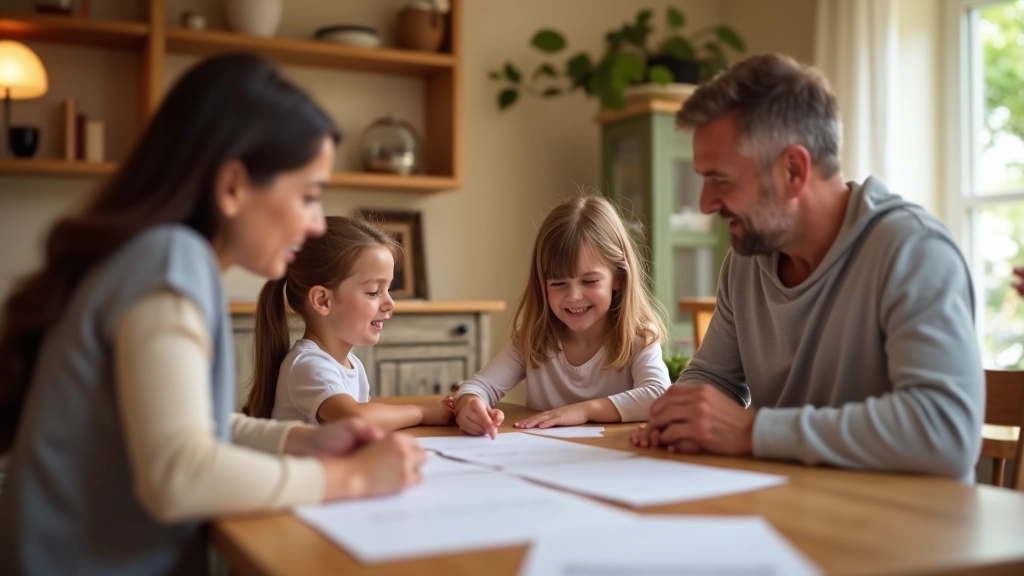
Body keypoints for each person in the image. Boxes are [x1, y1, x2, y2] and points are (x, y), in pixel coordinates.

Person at [0, 54, 425, 576]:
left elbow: (186, 427)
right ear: (232, 187)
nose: (316, 225)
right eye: (309, 195)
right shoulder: (168, 263)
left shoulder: (158, 259)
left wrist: (298, 440)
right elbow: (179, 474)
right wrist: (350, 480)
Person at [630, 53, 984, 482]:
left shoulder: (914, 250)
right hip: (792, 511)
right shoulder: (746, 259)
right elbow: (712, 377)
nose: (706, 204)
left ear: (793, 170)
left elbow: (944, 431)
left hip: (904, 533)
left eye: (721, 180)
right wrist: (674, 417)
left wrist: (754, 430)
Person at [453, 195, 672, 437]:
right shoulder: (533, 339)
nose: (573, 296)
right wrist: (469, 403)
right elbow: (479, 386)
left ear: (618, 277)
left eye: (589, 281)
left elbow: (659, 395)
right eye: (558, 283)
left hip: (608, 462)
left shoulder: (639, 337)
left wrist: (584, 411)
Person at [243, 215, 454, 430]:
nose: (390, 303)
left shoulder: (351, 364)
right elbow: (355, 419)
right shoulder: (308, 366)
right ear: (323, 300)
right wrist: (421, 412)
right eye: (373, 292)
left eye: (389, 289)